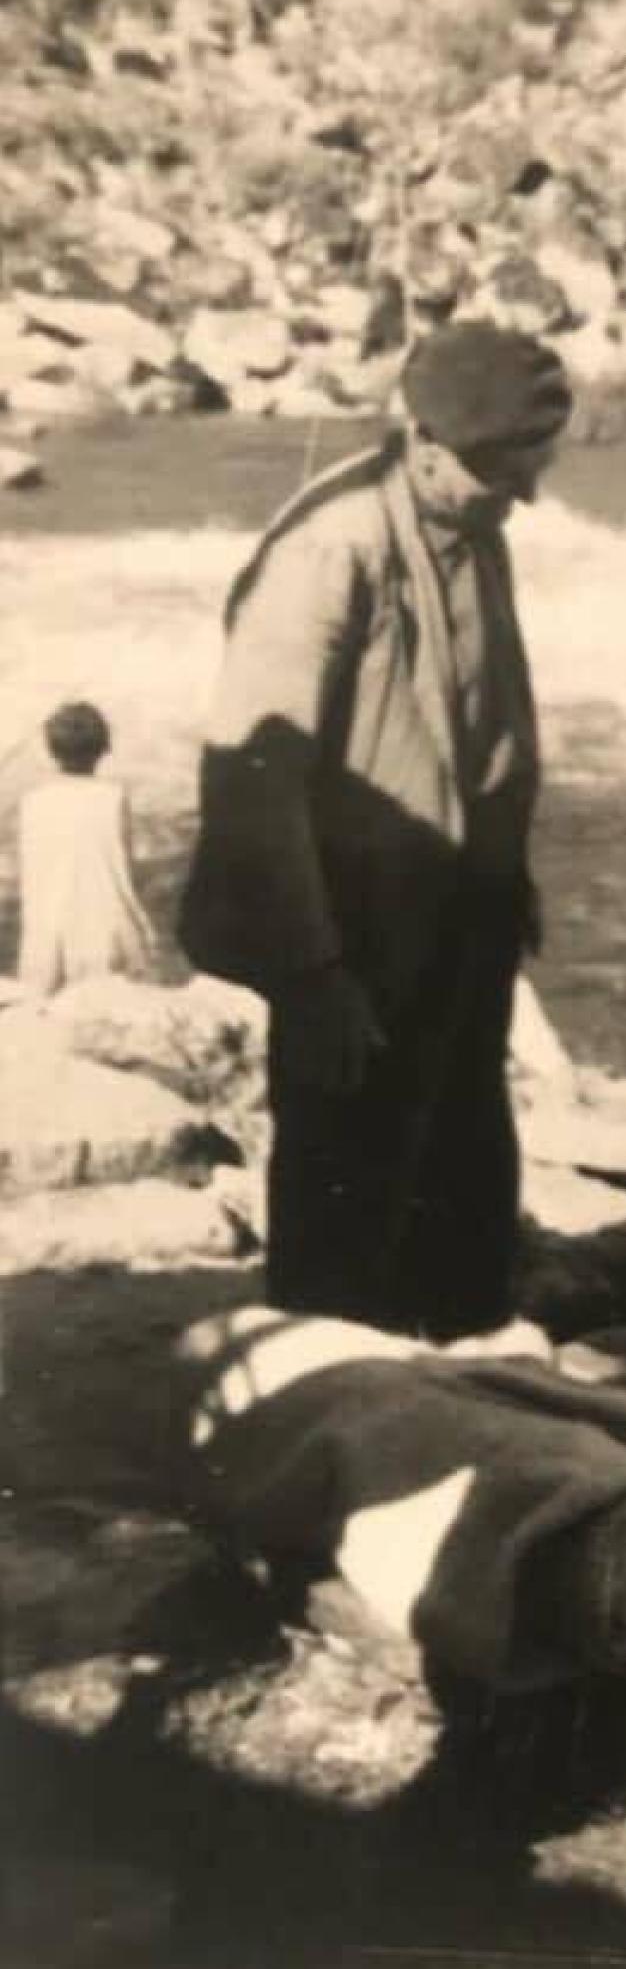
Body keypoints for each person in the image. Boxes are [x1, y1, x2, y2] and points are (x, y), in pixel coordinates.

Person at [178, 320, 574, 1343]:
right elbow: (253, 783)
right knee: (345, 1171)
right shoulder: (329, 548)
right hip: (352, 931)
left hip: (459, 912)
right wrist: (311, 975)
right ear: (425, 439)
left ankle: (461, 1353)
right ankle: (337, 1399)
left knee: (462, 1148)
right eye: (501, 470)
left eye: (531, 465)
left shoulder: (472, 520)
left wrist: (508, 876)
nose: (521, 494)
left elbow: (490, 717)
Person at [16, 700, 155, 996]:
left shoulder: (33, 803)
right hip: (106, 935)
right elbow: (125, 871)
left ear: (51, 750)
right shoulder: (113, 798)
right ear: (103, 749)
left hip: (48, 939)